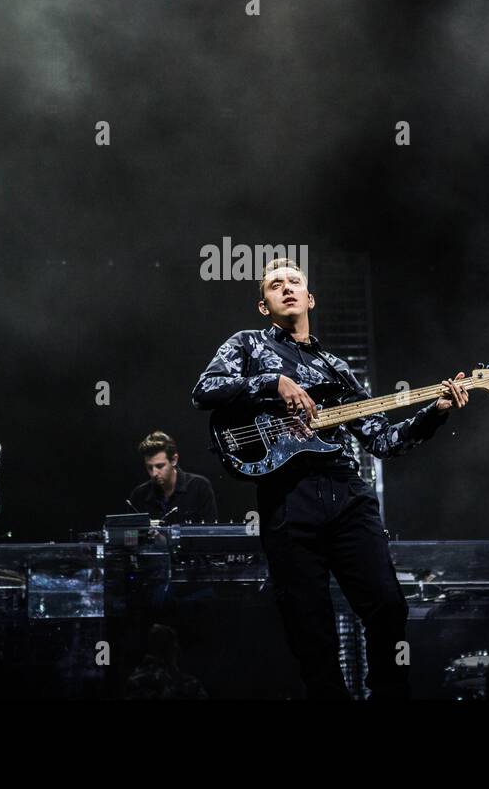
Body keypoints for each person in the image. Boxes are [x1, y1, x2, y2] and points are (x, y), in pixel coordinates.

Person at [190, 258, 467, 699]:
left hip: (345, 493)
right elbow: (203, 390)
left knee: (389, 605)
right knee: (309, 626)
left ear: (309, 298)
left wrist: (433, 413)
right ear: (264, 305)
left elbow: (383, 440)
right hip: (287, 498)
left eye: (294, 281)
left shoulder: (336, 368)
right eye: (274, 284)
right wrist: (272, 382)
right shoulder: (246, 344)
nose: (286, 288)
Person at [127, 430, 218, 523]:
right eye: (149, 467)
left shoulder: (199, 487)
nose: (154, 473)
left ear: (174, 460)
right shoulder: (139, 495)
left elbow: (211, 533)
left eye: (160, 466)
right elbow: (129, 536)